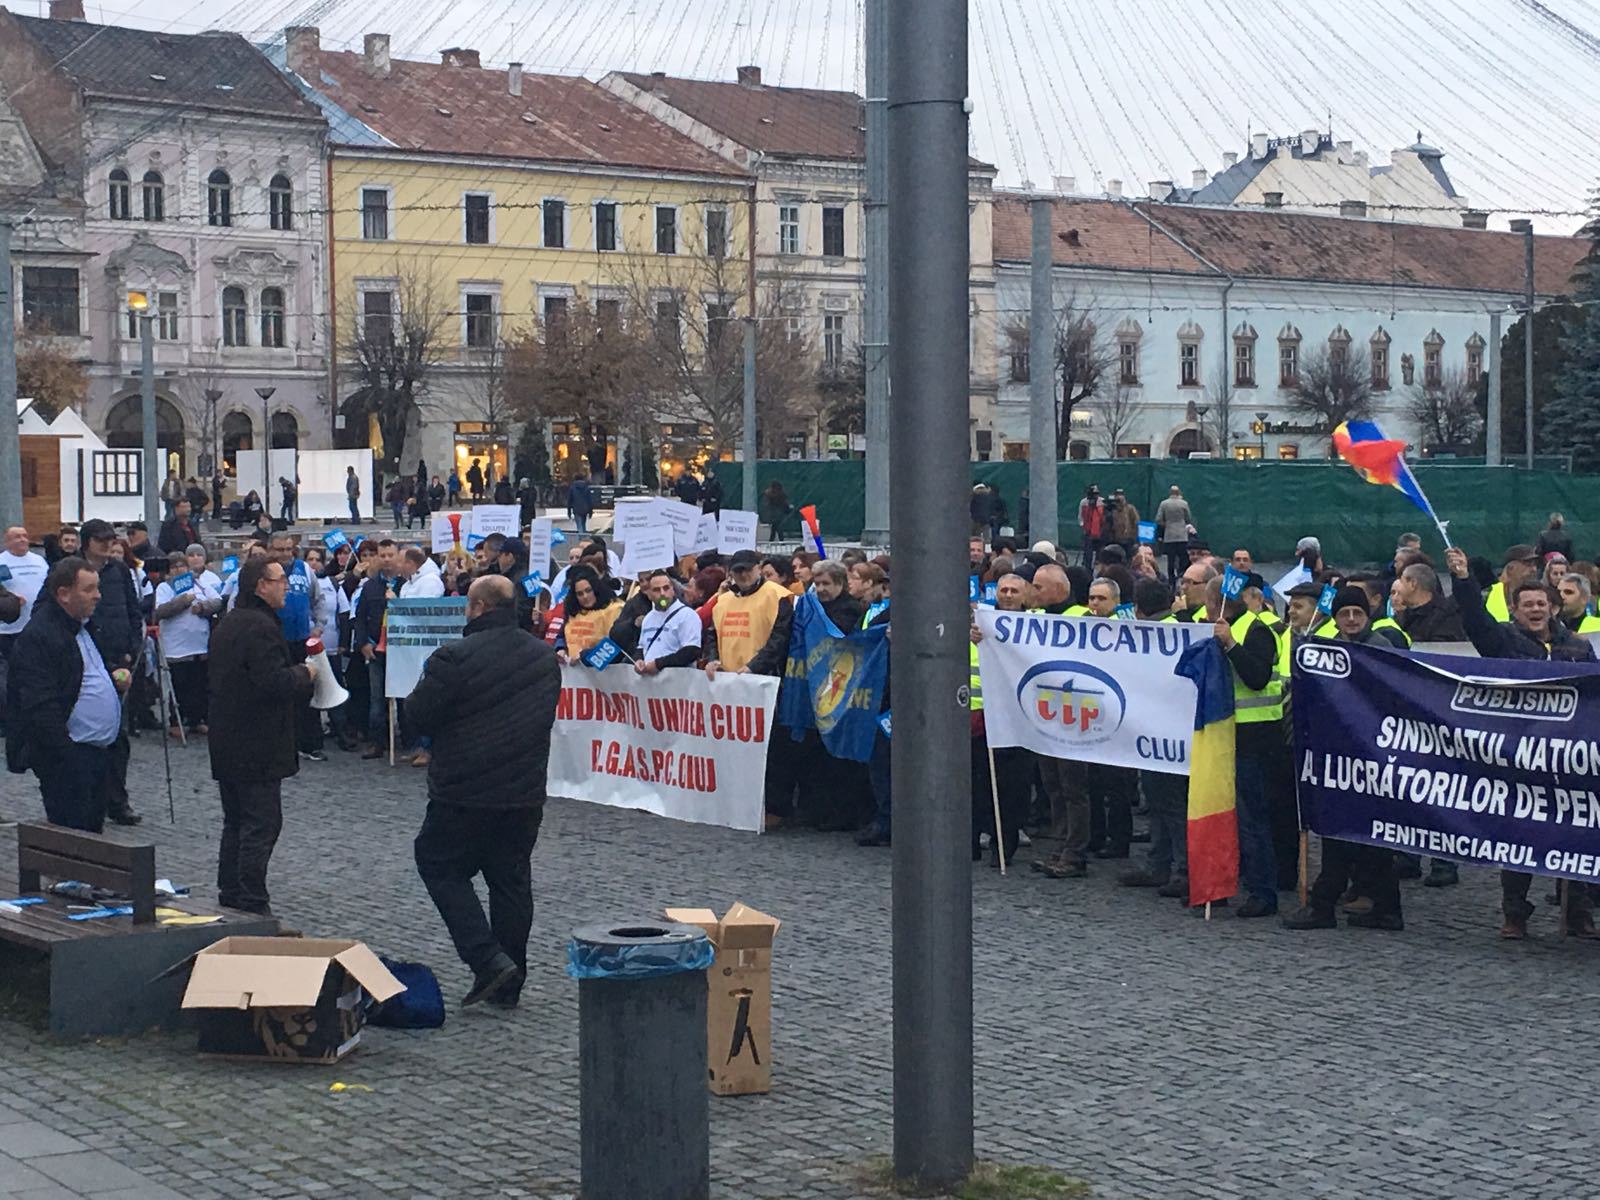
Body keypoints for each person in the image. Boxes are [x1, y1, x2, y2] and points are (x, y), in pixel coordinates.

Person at [409, 575, 559, 1007]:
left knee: (438, 865)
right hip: (524, 790)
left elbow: (418, 717)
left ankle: (487, 959)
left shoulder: (453, 657)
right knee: (510, 880)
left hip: (464, 789)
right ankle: (509, 983)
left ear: (475, 608)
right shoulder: (543, 657)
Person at [1447, 544, 1598, 939]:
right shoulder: (1504, 643)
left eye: (1541, 603)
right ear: (1515, 611)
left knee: (1576, 834)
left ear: (1553, 608)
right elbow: (1477, 623)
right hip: (1519, 756)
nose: (1535, 609)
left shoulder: (1578, 649)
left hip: (1569, 758)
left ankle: (1577, 910)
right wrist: (1464, 580)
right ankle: (1515, 912)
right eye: (1527, 604)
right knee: (1519, 836)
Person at [1283, 586, 1406, 932]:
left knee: (1360, 837)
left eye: (1357, 614)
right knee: (1349, 836)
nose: (1351, 620)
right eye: (1344, 614)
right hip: (1338, 757)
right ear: (1335, 618)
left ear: (1367, 616)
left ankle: (1327, 904)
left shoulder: (1379, 648)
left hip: (1370, 757)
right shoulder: (1326, 649)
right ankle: (1381, 907)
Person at [207, 556, 315, 916]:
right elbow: (273, 682)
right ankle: (252, 896)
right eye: (280, 579)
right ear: (261, 585)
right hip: (256, 741)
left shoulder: (231, 621)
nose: (287, 585)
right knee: (260, 823)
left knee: (236, 820)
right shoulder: (259, 627)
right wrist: (304, 674)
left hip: (229, 738)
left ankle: (231, 888)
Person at [5, 558, 128, 831]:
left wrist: (111, 678)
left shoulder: (82, 625)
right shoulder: (41, 635)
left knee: (92, 835)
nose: (98, 595)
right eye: (89, 589)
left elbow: (83, 672)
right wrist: (66, 755)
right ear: (63, 594)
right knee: (73, 840)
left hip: (96, 753)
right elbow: (39, 703)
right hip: (69, 757)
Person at [1211, 572, 1285, 918]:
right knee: (1237, 817)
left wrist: (1230, 646)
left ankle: (1263, 891)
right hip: (1232, 735)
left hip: (1257, 738)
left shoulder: (1256, 631)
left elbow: (1255, 679)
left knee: (1254, 818)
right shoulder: (1233, 628)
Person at [77, 520, 144, 826]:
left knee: (118, 735)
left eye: (109, 540)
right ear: (88, 542)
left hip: (118, 661)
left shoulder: (118, 571)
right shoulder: (72, 569)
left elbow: (133, 611)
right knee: (90, 734)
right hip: (87, 661)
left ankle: (117, 801)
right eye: (101, 540)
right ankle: (89, 796)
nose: (107, 545)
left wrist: (130, 648)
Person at [152, 545, 223, 736]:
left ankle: (198, 718)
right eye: (174, 567)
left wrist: (202, 606)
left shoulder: (199, 583)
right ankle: (177, 720)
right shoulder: (164, 588)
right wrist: (183, 600)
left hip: (199, 644)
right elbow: (160, 612)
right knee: (180, 684)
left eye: (181, 566)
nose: (178, 570)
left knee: (199, 684)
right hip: (177, 647)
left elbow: (217, 602)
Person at [354, 539, 403, 759]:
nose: (386, 559)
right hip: (376, 649)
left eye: (390, 555)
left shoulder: (406, 584)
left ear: (397, 555)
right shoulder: (370, 586)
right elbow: (360, 618)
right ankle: (377, 742)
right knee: (376, 699)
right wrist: (363, 643)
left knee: (405, 698)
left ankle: (406, 740)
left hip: (402, 650)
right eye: (382, 555)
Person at [0, 527, 50, 692]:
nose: (22, 539)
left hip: (36, 625)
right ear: (7, 542)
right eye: (16, 537)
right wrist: (10, 601)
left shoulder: (39, 560)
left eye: (24, 536)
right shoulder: (1, 561)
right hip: (9, 630)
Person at [632, 570, 702, 674]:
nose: (662, 594)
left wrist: (659, 664)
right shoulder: (648, 618)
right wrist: (638, 661)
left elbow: (691, 651)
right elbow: (642, 647)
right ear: (649, 594)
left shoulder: (687, 615)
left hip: (676, 682)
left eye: (666, 588)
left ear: (673, 590)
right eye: (656, 590)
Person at [553, 565, 624, 663]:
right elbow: (561, 636)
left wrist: (584, 658)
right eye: (580, 594)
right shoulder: (572, 612)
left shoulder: (614, 609)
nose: (585, 596)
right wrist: (560, 649)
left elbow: (615, 646)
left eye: (588, 590)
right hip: (573, 673)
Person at [1394, 562, 1466, 644]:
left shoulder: (1446, 618)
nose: (1398, 589)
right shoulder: (1404, 615)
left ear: (1413, 584)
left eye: (1402, 582)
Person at [1154, 486, 1191, 585]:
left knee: (1171, 559)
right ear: (1179, 492)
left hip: (1169, 535)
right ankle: (1181, 576)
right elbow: (1188, 518)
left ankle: (1171, 581)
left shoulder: (1164, 504)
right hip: (1182, 535)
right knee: (1183, 557)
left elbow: (1158, 519)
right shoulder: (1184, 503)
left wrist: (1167, 524)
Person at [1076, 484, 1105, 567]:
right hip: (1088, 533)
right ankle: (1087, 568)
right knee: (1087, 555)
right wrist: (1083, 526)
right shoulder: (1084, 502)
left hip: (1100, 532)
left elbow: (1104, 517)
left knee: (1100, 555)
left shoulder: (1102, 502)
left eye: (1096, 494)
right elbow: (1080, 516)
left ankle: (1098, 567)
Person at [1108, 488, 1140, 556]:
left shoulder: (1130, 508)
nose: (1119, 497)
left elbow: (1136, 522)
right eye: (1117, 495)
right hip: (1116, 539)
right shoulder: (1112, 510)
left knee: (1128, 557)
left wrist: (1134, 536)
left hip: (1128, 538)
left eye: (1121, 495)